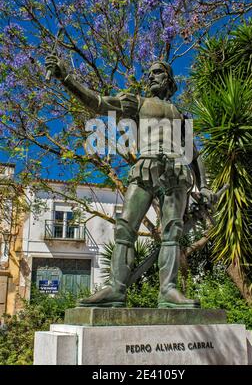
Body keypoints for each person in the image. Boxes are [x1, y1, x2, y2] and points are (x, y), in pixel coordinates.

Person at [46, 54, 215, 308]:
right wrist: (66, 78)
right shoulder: (138, 103)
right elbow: (99, 104)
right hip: (145, 168)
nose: (150, 76)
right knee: (125, 226)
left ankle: (168, 291)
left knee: (172, 233)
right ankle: (116, 289)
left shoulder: (181, 115)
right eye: (150, 72)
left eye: (157, 72)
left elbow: (194, 153)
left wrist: (204, 186)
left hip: (176, 174)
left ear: (168, 79)